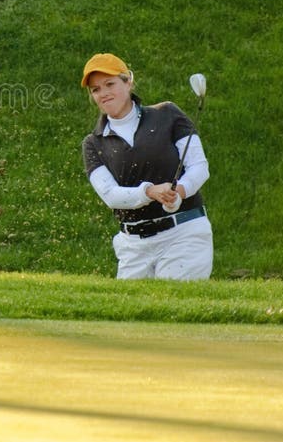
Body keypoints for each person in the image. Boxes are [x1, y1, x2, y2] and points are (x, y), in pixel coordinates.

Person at [80, 53, 213, 280]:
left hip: (183, 233)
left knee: (174, 305)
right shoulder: (94, 143)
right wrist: (150, 192)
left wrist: (178, 192)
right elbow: (111, 195)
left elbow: (199, 167)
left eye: (110, 84)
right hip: (133, 247)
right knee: (128, 312)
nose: (103, 93)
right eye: (96, 89)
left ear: (128, 81)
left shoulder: (168, 115)